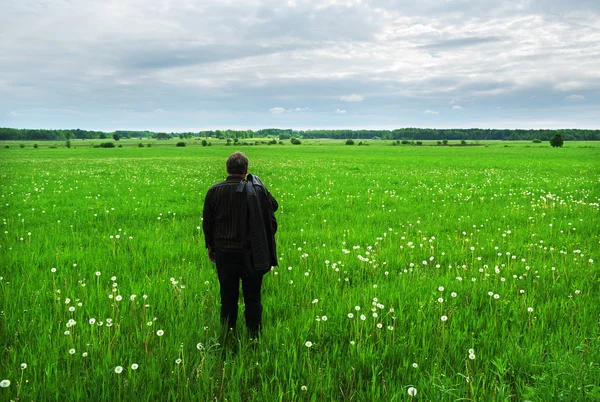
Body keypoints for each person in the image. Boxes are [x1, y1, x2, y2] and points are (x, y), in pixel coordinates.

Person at [202, 152, 278, 339]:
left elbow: (208, 224)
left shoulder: (214, 190)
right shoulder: (257, 190)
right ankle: (254, 335)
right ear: (246, 169)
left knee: (228, 297)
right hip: (252, 254)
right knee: (253, 297)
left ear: (227, 169)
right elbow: (272, 214)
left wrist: (211, 248)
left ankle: (228, 333)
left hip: (224, 253)